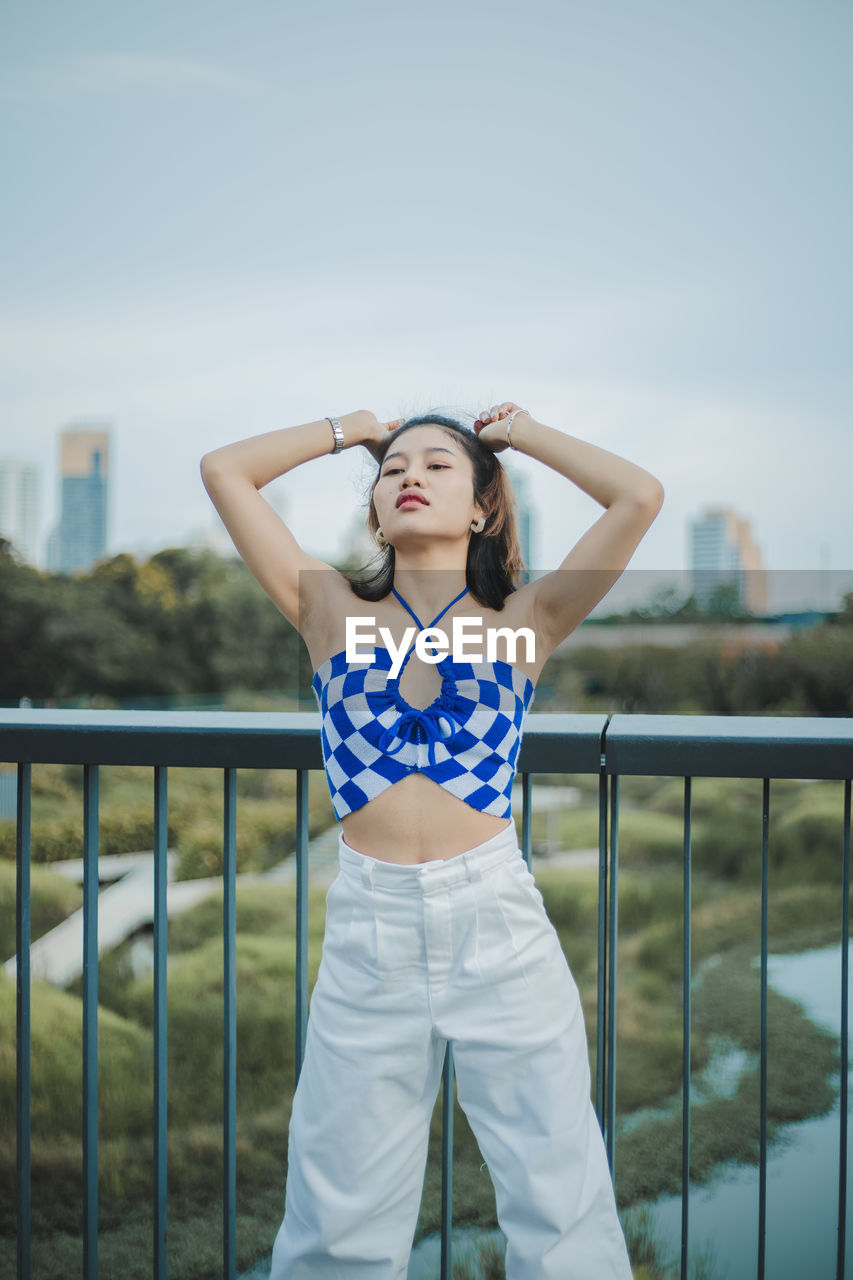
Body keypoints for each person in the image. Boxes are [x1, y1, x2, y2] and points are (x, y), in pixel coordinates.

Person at [200, 402, 663, 1279]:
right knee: (336, 1215)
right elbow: (225, 470)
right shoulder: (327, 607)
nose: (409, 475)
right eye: (393, 469)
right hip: (369, 928)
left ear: (486, 508)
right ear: (373, 509)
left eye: (439, 466)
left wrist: (517, 435)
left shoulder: (525, 619)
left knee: (559, 1205)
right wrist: (347, 431)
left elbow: (638, 497)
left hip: (497, 922)